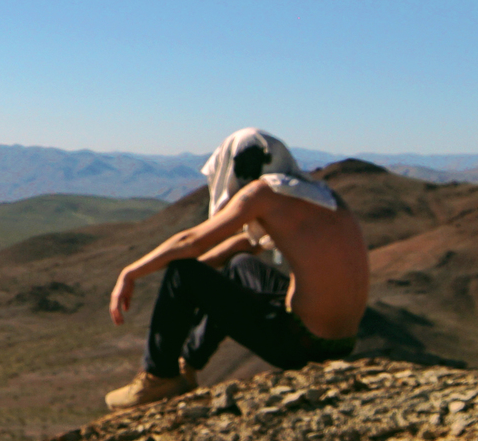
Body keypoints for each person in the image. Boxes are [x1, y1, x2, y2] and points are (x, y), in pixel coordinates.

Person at [102, 127, 368, 410]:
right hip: (342, 340)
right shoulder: (312, 192)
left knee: (181, 271)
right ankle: (188, 365)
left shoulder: (262, 192)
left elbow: (190, 241)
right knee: (241, 265)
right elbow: (246, 244)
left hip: (304, 343)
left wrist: (130, 273)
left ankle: (160, 378)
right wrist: (200, 283)